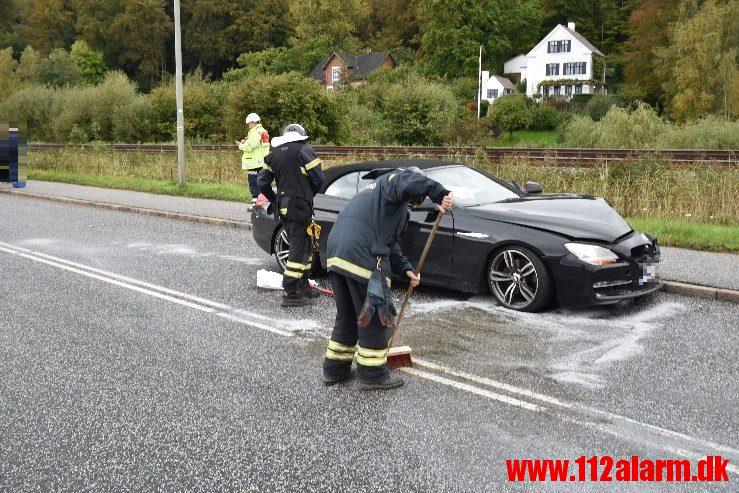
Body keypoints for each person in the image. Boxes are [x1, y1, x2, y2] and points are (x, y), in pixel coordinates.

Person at [322, 167, 453, 390]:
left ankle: (335, 369)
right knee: (374, 318)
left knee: (349, 317)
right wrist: (440, 193)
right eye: (416, 197)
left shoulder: (377, 199)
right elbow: (406, 179)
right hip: (361, 254)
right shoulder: (390, 183)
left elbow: (389, 243)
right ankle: (373, 375)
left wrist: (406, 269)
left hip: (337, 254)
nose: (414, 202)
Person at [255, 124, 324, 307]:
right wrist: (308, 194)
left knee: (305, 245)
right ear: (301, 137)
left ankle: (303, 285)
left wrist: (275, 199)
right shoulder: (304, 150)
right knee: (299, 248)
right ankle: (291, 291)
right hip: (300, 207)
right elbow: (319, 179)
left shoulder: (274, 154)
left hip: (284, 207)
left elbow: (262, 182)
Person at [235, 113, 270, 204]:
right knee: (261, 183)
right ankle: (261, 202)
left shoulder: (255, 132)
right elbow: (258, 145)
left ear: (253, 122)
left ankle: (256, 205)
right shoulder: (263, 131)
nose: (248, 126)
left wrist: (240, 145)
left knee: (253, 184)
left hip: (253, 164)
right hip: (262, 163)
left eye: (249, 124)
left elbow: (249, 147)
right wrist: (246, 141)